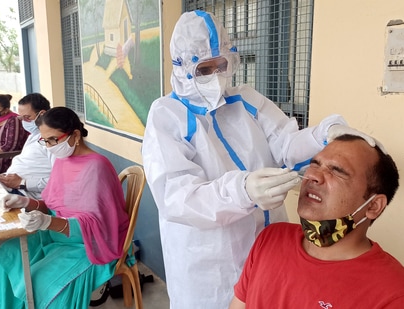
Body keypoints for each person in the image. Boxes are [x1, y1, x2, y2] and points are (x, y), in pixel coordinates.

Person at [141, 10, 347, 308]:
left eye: (221, 65)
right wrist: (243, 191)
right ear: (182, 66)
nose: (216, 76)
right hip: (209, 261)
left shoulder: (246, 100)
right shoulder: (166, 116)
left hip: (267, 244)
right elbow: (176, 196)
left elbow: (287, 144)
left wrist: (324, 135)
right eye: (204, 69)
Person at [229, 127, 404, 308]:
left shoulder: (400, 297)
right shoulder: (271, 239)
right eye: (314, 164)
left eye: (337, 171)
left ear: (372, 206)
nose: (312, 176)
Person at [0, 107, 130, 309]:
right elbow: (53, 205)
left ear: (75, 135)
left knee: (38, 283)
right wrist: (27, 203)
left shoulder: (97, 167)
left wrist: (48, 221)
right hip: (57, 234)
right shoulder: (63, 161)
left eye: (53, 140)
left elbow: (98, 227)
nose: (49, 146)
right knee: (7, 257)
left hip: (87, 244)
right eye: (44, 140)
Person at [0, 93, 55, 199]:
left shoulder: (53, 141)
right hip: (12, 187)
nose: (23, 121)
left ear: (42, 114)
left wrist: (22, 183)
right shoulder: (34, 135)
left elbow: (60, 182)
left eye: (27, 117)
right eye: (21, 117)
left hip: (25, 194)